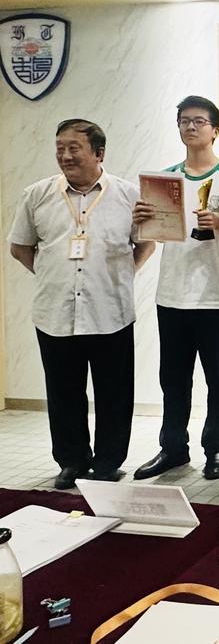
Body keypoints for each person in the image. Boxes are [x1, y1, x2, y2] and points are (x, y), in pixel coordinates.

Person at [8, 119, 155, 489]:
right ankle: (72, 461)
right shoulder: (37, 194)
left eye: (74, 148)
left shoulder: (128, 195)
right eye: (60, 148)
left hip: (110, 310)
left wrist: (123, 275)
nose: (65, 155)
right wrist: (49, 274)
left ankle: (107, 462)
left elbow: (146, 243)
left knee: (114, 393)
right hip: (55, 312)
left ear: (99, 153)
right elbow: (20, 247)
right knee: (63, 393)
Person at [132, 96, 219, 482]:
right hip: (172, 294)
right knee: (173, 379)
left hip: (216, 295)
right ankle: (173, 448)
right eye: (184, 121)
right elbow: (153, 236)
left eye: (199, 121)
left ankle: (217, 448)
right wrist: (141, 221)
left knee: (218, 379)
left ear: (215, 130)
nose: (191, 127)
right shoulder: (165, 180)